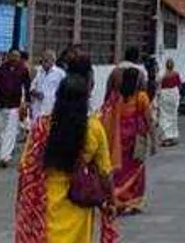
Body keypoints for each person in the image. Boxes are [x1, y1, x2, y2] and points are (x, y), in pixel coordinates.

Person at [14, 56, 119, 243]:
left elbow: (26, 168)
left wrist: (21, 201)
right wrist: (111, 200)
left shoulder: (41, 126)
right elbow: (105, 173)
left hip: (44, 204)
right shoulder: (93, 128)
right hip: (77, 203)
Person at [100, 66, 153, 215]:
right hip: (136, 139)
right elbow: (149, 120)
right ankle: (132, 201)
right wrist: (154, 140)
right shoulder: (141, 97)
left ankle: (118, 199)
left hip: (119, 139)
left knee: (121, 170)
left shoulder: (116, 97)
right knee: (137, 169)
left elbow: (106, 113)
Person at [0, 49, 32, 167]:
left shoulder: (23, 70)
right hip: (0, 104)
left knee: (10, 132)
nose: (15, 58)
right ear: (8, 56)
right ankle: (3, 154)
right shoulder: (1, 69)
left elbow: (27, 87)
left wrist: (27, 102)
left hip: (14, 106)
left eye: (17, 56)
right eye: (13, 56)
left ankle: (4, 158)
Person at [28, 49, 65, 123]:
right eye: (42, 61)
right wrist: (35, 93)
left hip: (51, 110)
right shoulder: (39, 72)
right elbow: (31, 87)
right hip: (37, 109)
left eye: (46, 60)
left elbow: (64, 91)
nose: (43, 63)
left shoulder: (60, 73)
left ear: (53, 60)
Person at [157, 59, 182, 146]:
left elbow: (158, 85)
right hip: (173, 94)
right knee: (173, 115)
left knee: (164, 115)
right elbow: (179, 84)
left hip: (165, 94)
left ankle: (165, 136)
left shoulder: (162, 75)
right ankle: (173, 135)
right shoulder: (176, 74)